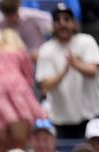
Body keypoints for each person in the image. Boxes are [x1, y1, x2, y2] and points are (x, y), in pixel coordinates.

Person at [35, 3, 99, 140]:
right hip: (60, 120)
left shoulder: (86, 41)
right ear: (53, 25)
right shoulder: (46, 49)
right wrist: (65, 70)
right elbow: (45, 86)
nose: (62, 23)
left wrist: (76, 64)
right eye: (57, 20)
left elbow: (93, 71)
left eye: (66, 19)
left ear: (74, 23)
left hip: (90, 117)